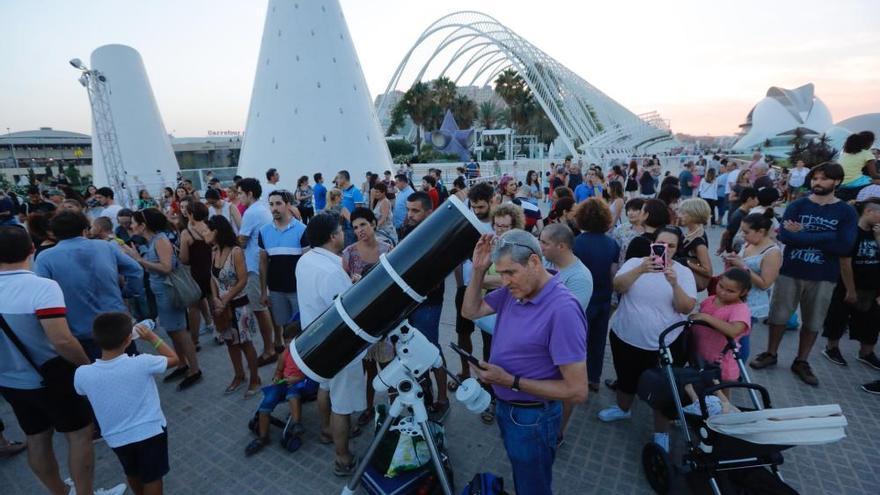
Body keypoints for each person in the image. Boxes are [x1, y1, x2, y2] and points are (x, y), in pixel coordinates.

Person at [461, 229, 588, 495]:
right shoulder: (516, 290)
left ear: (534, 262)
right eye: (501, 272)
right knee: (524, 473)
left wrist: (510, 381)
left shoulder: (563, 310)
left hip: (533, 418)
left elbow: (577, 391)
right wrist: (479, 271)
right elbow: (470, 311)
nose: (504, 281)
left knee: (533, 485)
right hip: (509, 409)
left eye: (510, 272)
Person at [0, 226, 120, 495]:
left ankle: (60, 492)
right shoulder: (40, 287)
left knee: (37, 437)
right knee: (79, 434)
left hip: (10, 382)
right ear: (32, 249)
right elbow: (62, 340)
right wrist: (87, 366)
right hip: (51, 377)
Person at [750, 162, 859, 386]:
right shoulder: (798, 206)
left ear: (836, 181)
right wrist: (829, 235)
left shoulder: (846, 211)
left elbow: (844, 246)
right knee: (778, 316)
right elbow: (786, 238)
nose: (817, 183)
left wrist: (805, 233)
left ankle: (801, 361)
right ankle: (771, 353)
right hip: (791, 271)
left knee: (813, 321)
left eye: (824, 179)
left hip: (824, 275)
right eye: (815, 178)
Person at [599, 227, 697, 453]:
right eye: (661, 243)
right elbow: (618, 287)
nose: (666, 249)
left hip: (663, 344)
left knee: (662, 389)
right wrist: (641, 269)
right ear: (653, 243)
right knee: (625, 378)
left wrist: (674, 284)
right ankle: (623, 409)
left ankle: (661, 433)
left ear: (677, 248)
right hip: (625, 336)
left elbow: (685, 307)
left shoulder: (683, 273)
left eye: (671, 246)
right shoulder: (635, 263)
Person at [74, 313, 178, 495]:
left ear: (95, 339)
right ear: (129, 339)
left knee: (132, 472)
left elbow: (81, 391)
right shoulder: (143, 362)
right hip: (150, 431)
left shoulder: (82, 374)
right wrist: (152, 336)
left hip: (116, 437)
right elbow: (174, 359)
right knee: (153, 477)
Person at [296, 213, 366, 476]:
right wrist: (354, 284)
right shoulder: (333, 270)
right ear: (332, 237)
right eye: (341, 230)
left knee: (324, 388)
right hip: (337, 347)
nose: (344, 234)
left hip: (314, 343)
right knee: (342, 405)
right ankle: (343, 458)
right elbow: (348, 309)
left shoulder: (304, 260)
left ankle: (326, 430)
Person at [33, 211, 143, 361]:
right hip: (119, 325)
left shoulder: (45, 258)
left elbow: (42, 294)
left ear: (53, 233)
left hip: (83, 332)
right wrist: (128, 292)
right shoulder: (105, 246)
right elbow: (135, 270)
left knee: (99, 379)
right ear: (84, 229)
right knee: (134, 371)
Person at [123, 209, 202, 390]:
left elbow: (166, 268)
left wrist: (138, 259)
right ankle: (182, 364)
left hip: (169, 292)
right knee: (173, 332)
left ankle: (195, 369)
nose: (131, 226)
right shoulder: (152, 241)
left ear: (144, 225)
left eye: (134, 222)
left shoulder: (160, 240)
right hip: (161, 292)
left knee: (180, 331)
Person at [539, 223, 592, 443]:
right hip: (543, 341)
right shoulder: (546, 262)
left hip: (565, 344)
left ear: (561, 246)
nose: (539, 246)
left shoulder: (580, 277)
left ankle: (557, 433)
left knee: (565, 391)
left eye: (544, 243)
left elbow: (564, 318)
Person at [341, 207, 393, 426]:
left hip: (384, 319)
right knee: (369, 369)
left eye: (363, 224)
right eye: (354, 227)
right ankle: (368, 408)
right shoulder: (349, 253)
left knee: (389, 368)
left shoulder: (387, 249)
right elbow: (343, 289)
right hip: (361, 321)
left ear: (373, 223)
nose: (359, 230)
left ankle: (395, 410)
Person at [400, 191, 449, 416]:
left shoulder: (440, 236)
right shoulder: (405, 231)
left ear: (429, 212)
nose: (409, 215)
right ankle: (424, 393)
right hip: (408, 304)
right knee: (412, 351)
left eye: (415, 211)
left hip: (429, 303)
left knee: (431, 350)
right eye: (408, 210)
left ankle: (442, 397)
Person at [821, 198, 880, 369]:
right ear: (869, 212)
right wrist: (851, 289)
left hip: (872, 287)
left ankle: (866, 352)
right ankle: (832, 348)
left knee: (872, 322)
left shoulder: (877, 233)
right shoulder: (852, 232)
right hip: (848, 284)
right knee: (838, 317)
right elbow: (844, 262)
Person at [207, 215, 261, 397]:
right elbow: (212, 277)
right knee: (230, 343)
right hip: (222, 307)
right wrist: (215, 298)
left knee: (245, 343)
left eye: (209, 230)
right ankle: (239, 375)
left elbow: (243, 279)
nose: (206, 233)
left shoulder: (236, 251)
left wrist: (225, 299)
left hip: (238, 305)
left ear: (217, 231)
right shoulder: (214, 250)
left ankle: (255, 378)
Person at [448, 183, 494, 391]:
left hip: (491, 292)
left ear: (492, 201)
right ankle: (465, 371)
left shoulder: (498, 226)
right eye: (473, 207)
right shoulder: (467, 221)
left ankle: (488, 382)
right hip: (465, 288)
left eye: (481, 207)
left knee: (490, 341)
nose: (477, 211)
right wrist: (460, 287)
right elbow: (456, 257)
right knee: (463, 334)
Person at [573, 198, 620, 392]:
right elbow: (613, 274)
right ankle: (594, 378)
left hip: (580, 301)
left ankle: (574, 378)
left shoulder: (575, 243)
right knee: (598, 341)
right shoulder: (612, 244)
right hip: (603, 299)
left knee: (577, 341)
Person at [722, 210, 782, 360]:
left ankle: (738, 370)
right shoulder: (749, 243)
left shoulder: (772, 253)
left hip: (750, 304)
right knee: (730, 338)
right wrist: (733, 260)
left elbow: (765, 284)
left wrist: (743, 266)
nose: (743, 235)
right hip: (735, 298)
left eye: (746, 232)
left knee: (741, 339)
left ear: (761, 231)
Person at [244, 326, 313, 456]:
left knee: (293, 395)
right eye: (286, 341)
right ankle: (263, 437)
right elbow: (279, 370)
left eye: (290, 341)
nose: (288, 344)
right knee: (266, 403)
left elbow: (310, 374)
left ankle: (297, 423)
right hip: (283, 383)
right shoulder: (284, 354)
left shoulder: (305, 353)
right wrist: (276, 377)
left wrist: (297, 378)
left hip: (298, 384)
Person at [258, 190, 307, 364]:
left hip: (297, 291)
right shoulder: (264, 232)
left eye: (278, 203)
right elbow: (263, 264)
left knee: (301, 328)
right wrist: (264, 291)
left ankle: (303, 364)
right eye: (271, 204)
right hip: (277, 291)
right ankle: (291, 365)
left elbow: (307, 264)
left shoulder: (302, 230)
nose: (274, 208)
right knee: (285, 330)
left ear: (287, 205)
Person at [236, 178, 277, 366]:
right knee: (269, 306)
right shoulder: (263, 208)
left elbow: (242, 240)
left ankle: (269, 350)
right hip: (265, 263)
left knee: (260, 309)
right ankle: (278, 342)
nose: (238, 197)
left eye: (240, 193)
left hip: (254, 265)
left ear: (249, 193)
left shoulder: (251, 213)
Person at [690, 268, 753, 386]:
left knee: (721, 395)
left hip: (721, 363)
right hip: (700, 356)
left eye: (730, 291)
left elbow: (734, 331)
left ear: (743, 292)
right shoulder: (710, 300)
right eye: (721, 286)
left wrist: (706, 317)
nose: (723, 292)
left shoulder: (740, 309)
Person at [177, 201, 215, 349]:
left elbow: (184, 259)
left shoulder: (187, 233)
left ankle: (195, 341)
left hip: (196, 273)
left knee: (194, 308)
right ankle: (221, 332)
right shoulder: (211, 227)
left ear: (191, 214)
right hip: (212, 271)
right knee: (214, 303)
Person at [675, 198, 714, 291]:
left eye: (684, 213)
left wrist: (687, 263)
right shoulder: (692, 233)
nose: (679, 216)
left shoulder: (698, 241)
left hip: (688, 285)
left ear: (694, 215)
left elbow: (708, 271)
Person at [837, 131, 878, 200]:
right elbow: (874, 175)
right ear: (870, 143)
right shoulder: (867, 154)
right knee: (877, 181)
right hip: (853, 182)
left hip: (840, 182)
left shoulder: (846, 152)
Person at [717, 187, 758, 255]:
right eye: (756, 198)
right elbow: (726, 233)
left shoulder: (746, 212)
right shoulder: (739, 215)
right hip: (735, 249)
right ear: (749, 199)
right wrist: (722, 247)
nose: (758, 201)